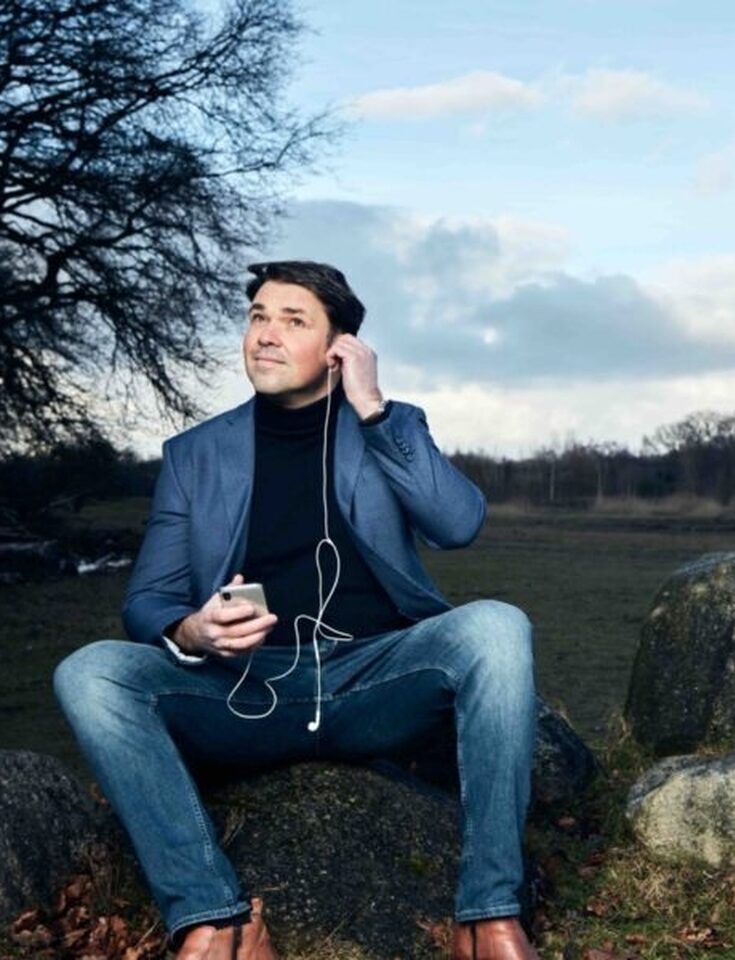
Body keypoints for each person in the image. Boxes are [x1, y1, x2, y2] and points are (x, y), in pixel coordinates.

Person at [53, 261, 539, 960]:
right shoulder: (195, 454)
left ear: (341, 347)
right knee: (90, 671)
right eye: (258, 317)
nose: (266, 335)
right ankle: (216, 920)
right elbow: (148, 601)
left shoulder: (388, 425)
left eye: (293, 320)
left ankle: (487, 917)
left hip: (375, 680)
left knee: (498, 626)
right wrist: (194, 630)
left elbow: (458, 523)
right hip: (246, 691)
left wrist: (372, 410)